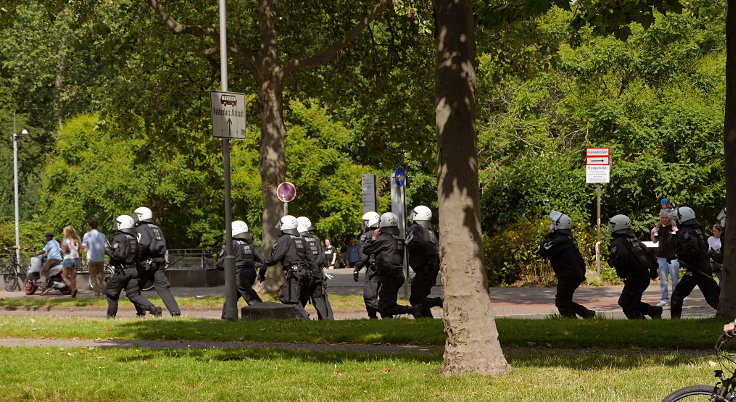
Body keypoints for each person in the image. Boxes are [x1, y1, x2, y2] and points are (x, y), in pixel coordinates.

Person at [539, 211, 596, 319]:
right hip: (573, 273)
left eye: (554, 223)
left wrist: (548, 238)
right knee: (564, 299)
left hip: (569, 275)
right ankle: (586, 313)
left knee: (562, 302)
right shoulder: (567, 239)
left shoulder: (561, 240)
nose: (552, 225)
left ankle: (572, 320)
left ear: (558, 225)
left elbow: (544, 251)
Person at [105, 215, 162, 318]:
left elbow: (118, 255)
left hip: (122, 271)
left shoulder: (119, 237)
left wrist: (108, 250)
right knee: (134, 294)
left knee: (111, 293)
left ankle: (110, 317)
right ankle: (153, 309)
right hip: (133, 270)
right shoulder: (134, 238)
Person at [607, 214, 663, 319]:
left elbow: (621, 258)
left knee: (627, 303)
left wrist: (612, 261)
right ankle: (653, 311)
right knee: (631, 301)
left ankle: (641, 321)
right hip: (642, 276)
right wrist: (653, 271)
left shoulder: (618, 242)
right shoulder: (634, 240)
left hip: (635, 277)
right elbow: (650, 256)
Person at [669, 207, 720, 319]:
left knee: (678, 295)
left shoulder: (686, 232)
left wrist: (681, 257)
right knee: (713, 297)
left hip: (696, 269)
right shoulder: (696, 230)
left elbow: (692, 250)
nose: (676, 221)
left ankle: (674, 322)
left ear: (682, 218)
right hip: (701, 267)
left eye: (677, 219)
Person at [362, 212, 414, 318]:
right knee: (386, 304)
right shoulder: (397, 239)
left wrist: (374, 237)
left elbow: (366, 249)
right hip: (396, 276)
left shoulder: (383, 239)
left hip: (390, 276)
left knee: (385, 306)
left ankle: (413, 309)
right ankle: (389, 321)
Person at [133, 206, 181, 317]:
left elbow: (143, 244)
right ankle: (175, 312)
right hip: (159, 262)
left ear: (141, 217)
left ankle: (142, 312)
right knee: (163, 288)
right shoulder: (156, 228)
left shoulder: (142, 229)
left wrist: (136, 257)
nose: (135, 219)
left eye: (136, 216)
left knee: (134, 289)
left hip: (146, 263)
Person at [261, 215, 311, 319]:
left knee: (288, 297)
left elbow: (275, 258)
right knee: (294, 298)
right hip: (305, 273)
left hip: (294, 273)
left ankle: (305, 319)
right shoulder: (301, 239)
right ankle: (295, 321)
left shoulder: (285, 239)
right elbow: (310, 257)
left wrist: (264, 263)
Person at [216, 220, 263, 319]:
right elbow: (262, 261)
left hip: (238, 274)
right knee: (232, 297)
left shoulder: (231, 244)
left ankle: (263, 312)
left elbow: (221, 262)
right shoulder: (251, 245)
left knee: (249, 296)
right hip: (250, 273)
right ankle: (226, 317)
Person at [406, 205, 443, 318]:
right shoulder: (429, 230)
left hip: (424, 269)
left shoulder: (416, 228)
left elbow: (418, 243)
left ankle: (440, 302)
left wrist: (408, 244)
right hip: (431, 268)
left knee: (415, 299)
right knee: (421, 296)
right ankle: (427, 319)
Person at [297, 216, 334, 320]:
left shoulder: (298, 240)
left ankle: (300, 318)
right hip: (318, 272)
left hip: (305, 273)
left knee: (298, 297)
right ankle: (327, 319)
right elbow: (322, 256)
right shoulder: (316, 239)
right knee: (319, 296)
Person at [353, 211, 382, 319]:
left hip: (372, 270)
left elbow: (364, 256)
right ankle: (386, 314)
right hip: (385, 268)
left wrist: (357, 268)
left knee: (369, 296)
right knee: (383, 295)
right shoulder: (383, 233)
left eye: (366, 222)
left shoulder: (365, 236)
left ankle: (375, 315)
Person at [650, 211, 680, 307]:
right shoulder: (659, 228)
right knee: (663, 281)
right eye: (662, 218)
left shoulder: (674, 227)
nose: (664, 219)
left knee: (675, 280)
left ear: (669, 218)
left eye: (666, 218)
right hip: (661, 257)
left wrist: (677, 230)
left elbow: (680, 240)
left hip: (673, 258)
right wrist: (652, 232)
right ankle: (664, 299)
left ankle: (675, 299)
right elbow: (654, 241)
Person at [81, 219, 108, 297]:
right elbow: (106, 246)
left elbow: (83, 246)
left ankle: (97, 293)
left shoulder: (87, 235)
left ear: (90, 226)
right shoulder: (102, 235)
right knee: (101, 276)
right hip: (101, 259)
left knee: (93, 277)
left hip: (91, 259)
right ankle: (104, 291)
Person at [60, 225, 82, 298]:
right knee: (73, 277)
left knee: (64, 276)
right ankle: (74, 292)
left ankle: (71, 287)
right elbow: (79, 251)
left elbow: (64, 250)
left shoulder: (65, 240)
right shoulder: (77, 239)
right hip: (76, 258)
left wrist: (62, 250)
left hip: (68, 258)